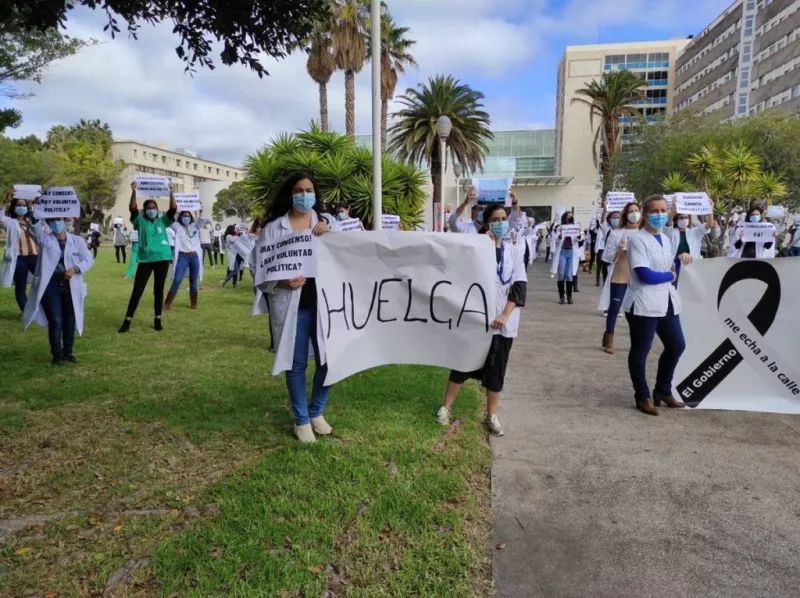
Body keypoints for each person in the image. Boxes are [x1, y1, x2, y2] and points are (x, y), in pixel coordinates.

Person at [252, 172, 335, 443]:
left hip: (326, 304)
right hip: (293, 305)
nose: (304, 195)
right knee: (296, 363)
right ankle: (301, 420)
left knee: (329, 360)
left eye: (309, 189)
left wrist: (331, 231)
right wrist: (281, 282)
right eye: (298, 190)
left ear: (316, 193)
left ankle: (316, 412)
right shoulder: (275, 228)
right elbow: (259, 267)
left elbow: (352, 252)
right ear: (291, 194)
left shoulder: (328, 223)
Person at [437, 203, 527, 437]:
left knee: (497, 371)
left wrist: (504, 315)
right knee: (462, 365)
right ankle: (445, 408)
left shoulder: (515, 250)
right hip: (477, 322)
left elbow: (519, 287)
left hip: (504, 324)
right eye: (495, 219)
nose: (500, 223)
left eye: (503, 219)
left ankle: (492, 416)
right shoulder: (476, 249)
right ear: (486, 223)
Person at [623, 195, 691, 416]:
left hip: (667, 301)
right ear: (645, 214)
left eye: (664, 211)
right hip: (644, 303)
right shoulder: (637, 239)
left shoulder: (667, 238)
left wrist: (682, 259)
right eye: (655, 211)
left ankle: (662, 390)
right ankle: (642, 396)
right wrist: (670, 275)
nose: (660, 215)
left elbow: (670, 265)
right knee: (641, 351)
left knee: (677, 345)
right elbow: (644, 274)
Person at [22, 216, 94, 364]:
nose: (56, 223)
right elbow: (33, 228)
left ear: (67, 220)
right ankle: (57, 355)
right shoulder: (44, 238)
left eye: (59, 219)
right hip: (50, 286)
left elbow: (88, 259)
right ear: (48, 222)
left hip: (70, 284)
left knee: (70, 320)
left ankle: (68, 353)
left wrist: (75, 269)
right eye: (52, 220)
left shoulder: (77, 241)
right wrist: (35, 214)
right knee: (55, 320)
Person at [118, 182, 177, 333]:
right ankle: (127, 321)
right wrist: (133, 191)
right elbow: (132, 208)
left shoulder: (163, 220)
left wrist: (171, 192)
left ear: (157, 210)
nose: (152, 210)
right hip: (145, 260)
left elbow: (173, 209)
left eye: (154, 208)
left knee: (159, 290)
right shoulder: (139, 220)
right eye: (149, 208)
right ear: (144, 210)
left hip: (162, 258)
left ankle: (158, 319)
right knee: (137, 290)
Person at [598, 202, 639, 354]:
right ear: (625, 215)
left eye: (636, 211)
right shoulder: (616, 233)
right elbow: (607, 257)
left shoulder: (645, 233)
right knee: (614, 308)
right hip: (620, 273)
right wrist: (618, 250)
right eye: (630, 211)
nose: (634, 214)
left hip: (639, 275)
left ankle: (638, 341)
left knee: (637, 311)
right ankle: (608, 339)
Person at [1, 190, 40, 312]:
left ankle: (42, 309)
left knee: (45, 281)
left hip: (35, 257)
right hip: (19, 259)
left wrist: (37, 204)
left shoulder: (32, 221)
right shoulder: (10, 222)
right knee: (20, 288)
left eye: (24, 205)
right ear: (14, 207)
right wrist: (5, 201)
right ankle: (27, 312)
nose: (22, 207)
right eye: (19, 205)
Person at [165, 210, 208, 311]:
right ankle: (167, 303)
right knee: (177, 280)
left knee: (193, 281)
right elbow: (170, 217)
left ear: (191, 217)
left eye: (188, 216)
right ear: (180, 217)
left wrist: (199, 209)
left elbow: (202, 220)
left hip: (194, 257)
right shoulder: (177, 227)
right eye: (184, 216)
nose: (186, 218)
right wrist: (175, 207)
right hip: (182, 257)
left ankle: (194, 303)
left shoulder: (195, 226)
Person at [666, 202, 717, 270]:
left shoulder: (694, 232)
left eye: (686, 217)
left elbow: (709, 225)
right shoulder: (671, 232)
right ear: (676, 220)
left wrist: (710, 209)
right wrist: (673, 211)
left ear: (689, 219)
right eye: (681, 218)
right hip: (675, 266)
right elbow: (668, 224)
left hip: (693, 266)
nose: (684, 220)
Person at [550, 211, 583, 305]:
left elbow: (579, 239)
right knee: (561, 274)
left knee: (569, 275)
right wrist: (560, 236)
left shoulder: (575, 227)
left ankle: (569, 297)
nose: (569, 218)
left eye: (571, 217)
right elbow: (556, 239)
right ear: (564, 218)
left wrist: (579, 236)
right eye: (568, 216)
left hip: (571, 252)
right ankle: (561, 296)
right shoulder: (560, 227)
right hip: (562, 252)